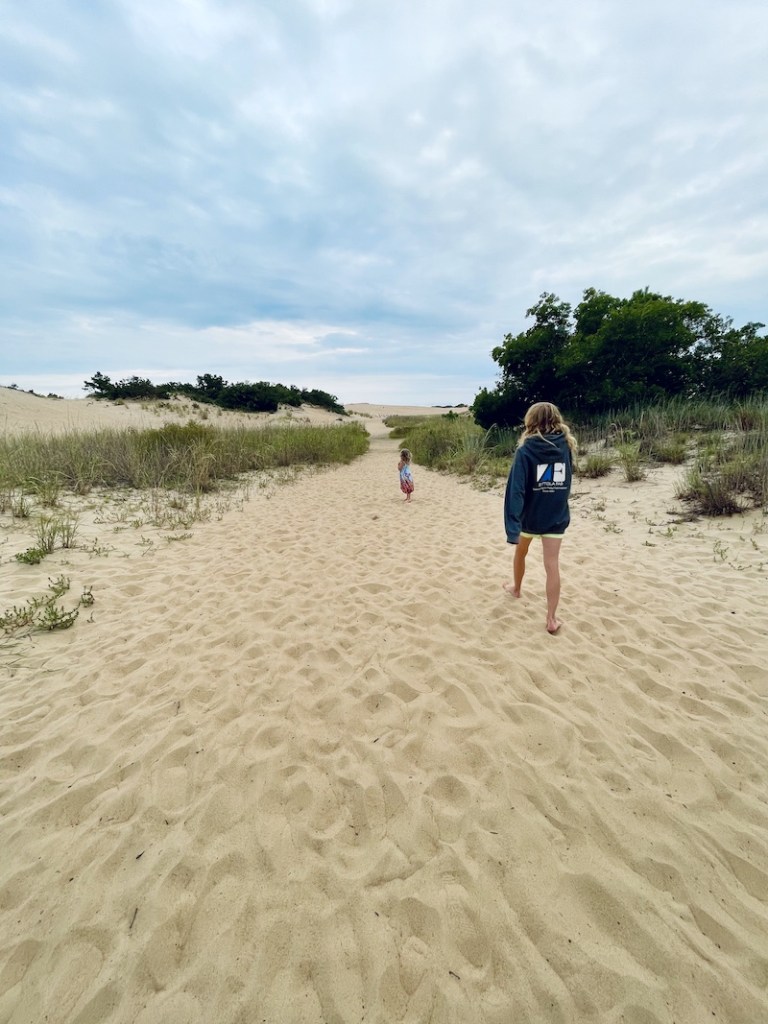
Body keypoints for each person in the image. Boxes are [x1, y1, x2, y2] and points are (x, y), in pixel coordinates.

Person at [503, 402, 576, 634]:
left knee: (521, 552)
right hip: (555, 516)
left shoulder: (525, 450)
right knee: (551, 565)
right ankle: (551, 618)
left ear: (531, 421)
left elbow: (516, 489)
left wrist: (513, 526)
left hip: (530, 517)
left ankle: (516, 588)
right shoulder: (566, 445)